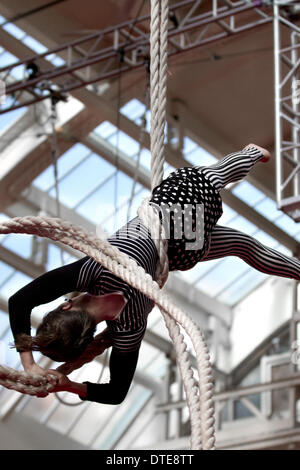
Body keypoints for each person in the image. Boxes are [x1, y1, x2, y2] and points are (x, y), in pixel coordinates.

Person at [8, 144, 300, 404]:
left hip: (182, 251)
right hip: (176, 211)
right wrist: (29, 363)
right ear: (65, 305)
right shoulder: (96, 270)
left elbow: (116, 392)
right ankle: (250, 153)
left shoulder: (128, 327)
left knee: (244, 247)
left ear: (89, 334)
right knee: (215, 176)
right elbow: (20, 301)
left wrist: (70, 386)